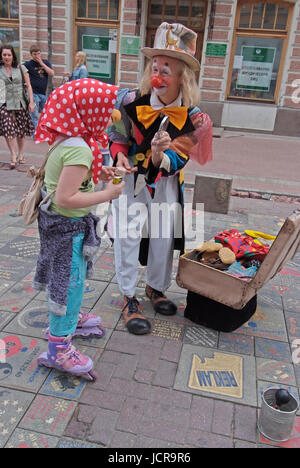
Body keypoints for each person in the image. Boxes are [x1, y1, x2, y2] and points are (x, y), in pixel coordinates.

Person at [109, 22, 212, 335]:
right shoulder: (129, 101)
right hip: (130, 182)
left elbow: (177, 159)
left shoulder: (195, 119)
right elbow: (117, 135)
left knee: (162, 238)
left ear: (183, 75)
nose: (159, 74)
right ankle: (128, 296)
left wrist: (157, 156)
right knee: (127, 235)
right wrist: (119, 155)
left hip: (166, 185)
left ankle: (155, 288)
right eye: (156, 66)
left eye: (167, 67)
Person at [33, 78, 124, 380]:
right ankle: (59, 347)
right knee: (67, 285)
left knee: (74, 277)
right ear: (90, 113)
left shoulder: (72, 140)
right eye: (106, 111)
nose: (111, 118)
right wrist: (107, 194)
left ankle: (71, 320)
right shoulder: (80, 150)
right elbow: (66, 197)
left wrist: (102, 173)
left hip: (64, 227)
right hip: (66, 228)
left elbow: (71, 179)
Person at [0, 44, 35, 168]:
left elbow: (29, 86)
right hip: (4, 103)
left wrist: (31, 102)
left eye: (9, 55)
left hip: (20, 102)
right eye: (4, 55)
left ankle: (21, 154)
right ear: (1, 55)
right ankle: (13, 154)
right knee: (8, 129)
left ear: (13, 56)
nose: (6, 57)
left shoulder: (21, 68)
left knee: (21, 131)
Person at [23, 45, 54, 131]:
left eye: (38, 53)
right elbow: (19, 68)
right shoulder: (28, 64)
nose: (37, 56)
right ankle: (35, 134)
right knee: (34, 115)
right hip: (34, 93)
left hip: (44, 93)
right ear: (31, 55)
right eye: (35, 54)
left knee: (47, 114)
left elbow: (52, 73)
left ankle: (45, 132)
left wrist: (42, 64)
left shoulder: (45, 62)